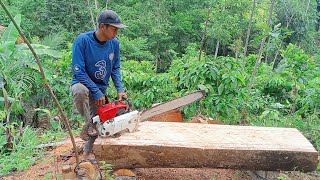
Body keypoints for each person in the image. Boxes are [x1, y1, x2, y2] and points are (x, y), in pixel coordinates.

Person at [70, 9, 127, 160]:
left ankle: (88, 152)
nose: (116, 32)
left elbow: (115, 68)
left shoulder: (114, 44)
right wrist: (95, 91)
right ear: (103, 27)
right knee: (79, 90)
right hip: (83, 84)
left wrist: (120, 88)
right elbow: (78, 71)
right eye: (114, 29)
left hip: (101, 89)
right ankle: (88, 124)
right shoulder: (83, 40)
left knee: (101, 122)